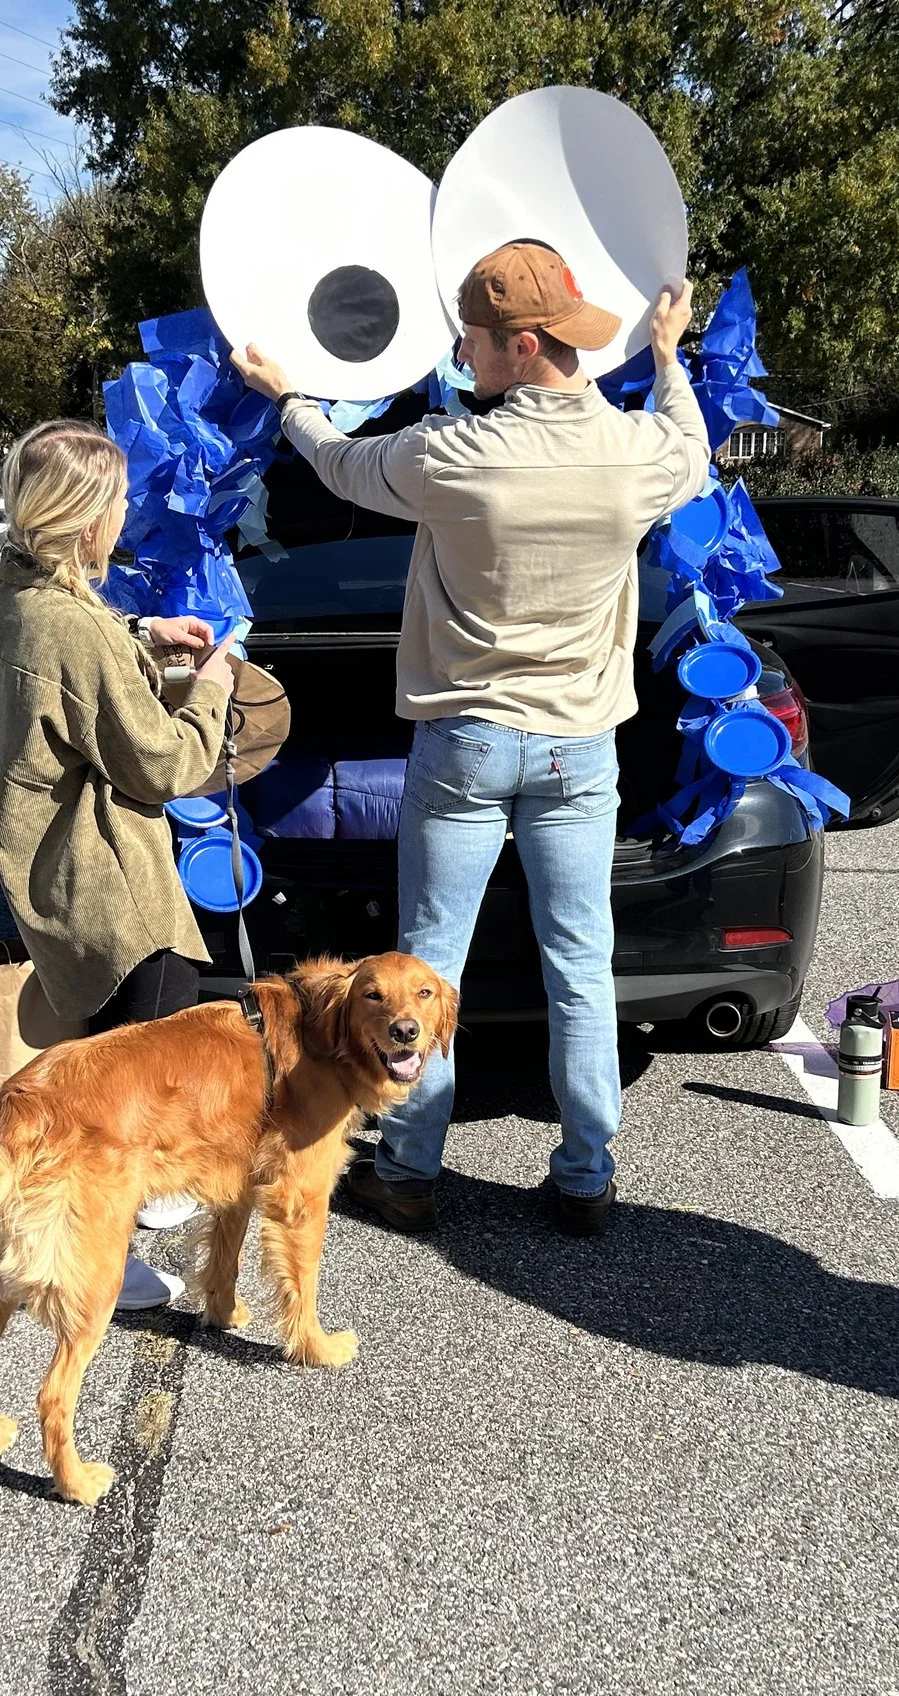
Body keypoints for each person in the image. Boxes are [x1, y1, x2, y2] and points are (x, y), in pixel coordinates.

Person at [233, 244, 710, 1236]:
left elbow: (331, 460)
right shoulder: (637, 455)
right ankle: (585, 1176)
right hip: (580, 748)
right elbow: (692, 447)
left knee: (427, 969)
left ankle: (407, 1171)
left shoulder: (451, 455)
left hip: (465, 743)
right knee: (579, 963)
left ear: (522, 345)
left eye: (476, 340)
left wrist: (285, 394)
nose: (461, 352)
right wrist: (666, 354)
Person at [0, 418, 238, 1308]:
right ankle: (97, 1260)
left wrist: (140, 633)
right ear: (88, 520)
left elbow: (75, 649)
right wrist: (214, 692)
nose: (126, 514)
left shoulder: (9, 594)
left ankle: (121, 1202)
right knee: (126, 1087)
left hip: (52, 868)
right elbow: (163, 763)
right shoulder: (69, 628)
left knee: (108, 1067)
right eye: (119, 502)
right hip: (109, 884)